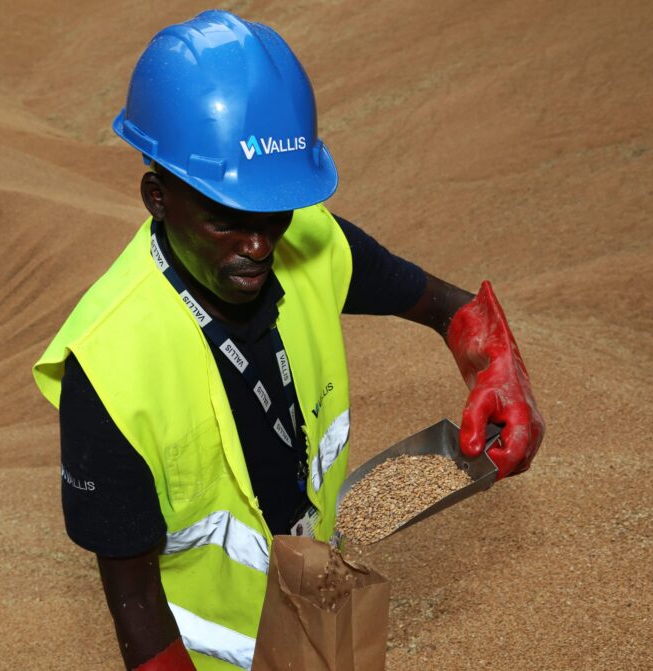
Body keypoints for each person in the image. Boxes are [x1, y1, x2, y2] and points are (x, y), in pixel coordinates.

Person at [32, 10, 544, 671]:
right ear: (156, 196)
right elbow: (132, 597)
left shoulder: (305, 238)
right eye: (227, 220)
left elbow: (449, 308)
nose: (259, 245)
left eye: (272, 213)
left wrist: (498, 371)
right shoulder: (109, 370)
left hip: (321, 610)